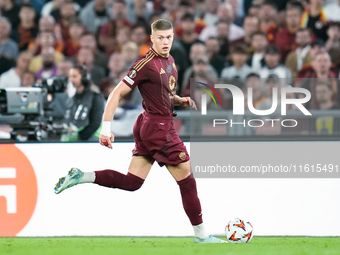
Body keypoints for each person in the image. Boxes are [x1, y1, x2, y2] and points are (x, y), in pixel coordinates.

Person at [54, 19, 227, 244]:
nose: (166, 42)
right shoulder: (145, 63)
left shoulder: (170, 61)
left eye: (169, 37)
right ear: (152, 38)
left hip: (149, 125)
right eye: (161, 38)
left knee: (133, 182)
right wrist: (105, 129)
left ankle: (82, 176)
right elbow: (116, 93)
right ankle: (202, 236)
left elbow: (162, 91)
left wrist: (177, 99)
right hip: (159, 129)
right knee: (187, 179)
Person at [62, 64, 105, 141]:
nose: (71, 79)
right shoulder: (72, 98)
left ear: (84, 77)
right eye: (70, 76)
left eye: (74, 76)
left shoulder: (95, 97)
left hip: (91, 139)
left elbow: (95, 123)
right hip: (76, 140)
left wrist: (80, 138)